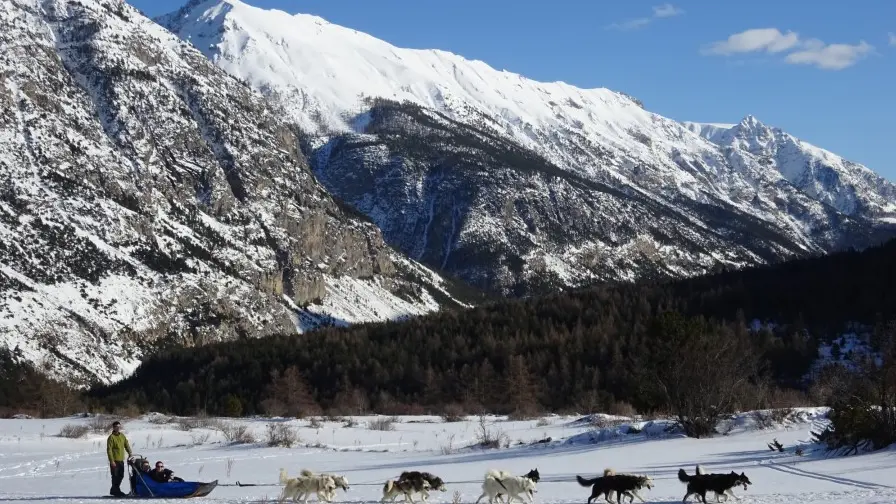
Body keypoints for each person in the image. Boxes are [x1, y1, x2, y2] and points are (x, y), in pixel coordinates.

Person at [106, 421, 132, 497]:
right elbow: (109, 450)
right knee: (115, 476)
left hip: (121, 460)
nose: (118, 428)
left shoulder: (122, 436)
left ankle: (114, 489)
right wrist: (111, 461)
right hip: (115, 460)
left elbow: (126, 445)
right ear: (113, 427)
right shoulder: (111, 437)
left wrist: (130, 453)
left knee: (121, 475)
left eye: (119, 426)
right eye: (116, 427)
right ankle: (115, 490)